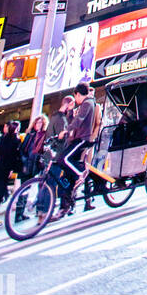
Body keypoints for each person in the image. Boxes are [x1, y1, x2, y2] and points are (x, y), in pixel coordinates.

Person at [53, 83, 96, 215]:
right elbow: (74, 120)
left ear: (77, 94)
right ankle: (66, 205)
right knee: (67, 171)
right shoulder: (83, 105)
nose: (75, 99)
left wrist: (66, 131)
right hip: (76, 138)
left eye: (75, 96)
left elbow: (79, 121)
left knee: (63, 159)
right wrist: (71, 111)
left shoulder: (88, 103)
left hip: (83, 139)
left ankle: (80, 173)